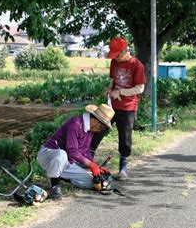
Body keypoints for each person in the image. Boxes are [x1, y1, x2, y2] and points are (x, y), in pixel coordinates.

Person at [91, 37, 146, 181]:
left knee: (125, 137)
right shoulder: (114, 62)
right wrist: (110, 89)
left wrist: (120, 92)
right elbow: (113, 80)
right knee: (98, 129)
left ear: (124, 51)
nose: (114, 57)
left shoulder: (137, 65)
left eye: (117, 54)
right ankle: (87, 159)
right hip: (111, 105)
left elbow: (140, 88)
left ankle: (123, 169)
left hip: (128, 107)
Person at [37, 104, 115, 200]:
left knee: (92, 182)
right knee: (62, 154)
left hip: (67, 163)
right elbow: (72, 151)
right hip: (48, 155)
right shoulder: (75, 124)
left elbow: (85, 151)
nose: (101, 130)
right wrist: (91, 165)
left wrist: (96, 168)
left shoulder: (90, 130)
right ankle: (54, 186)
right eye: (102, 127)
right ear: (95, 120)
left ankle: (62, 177)